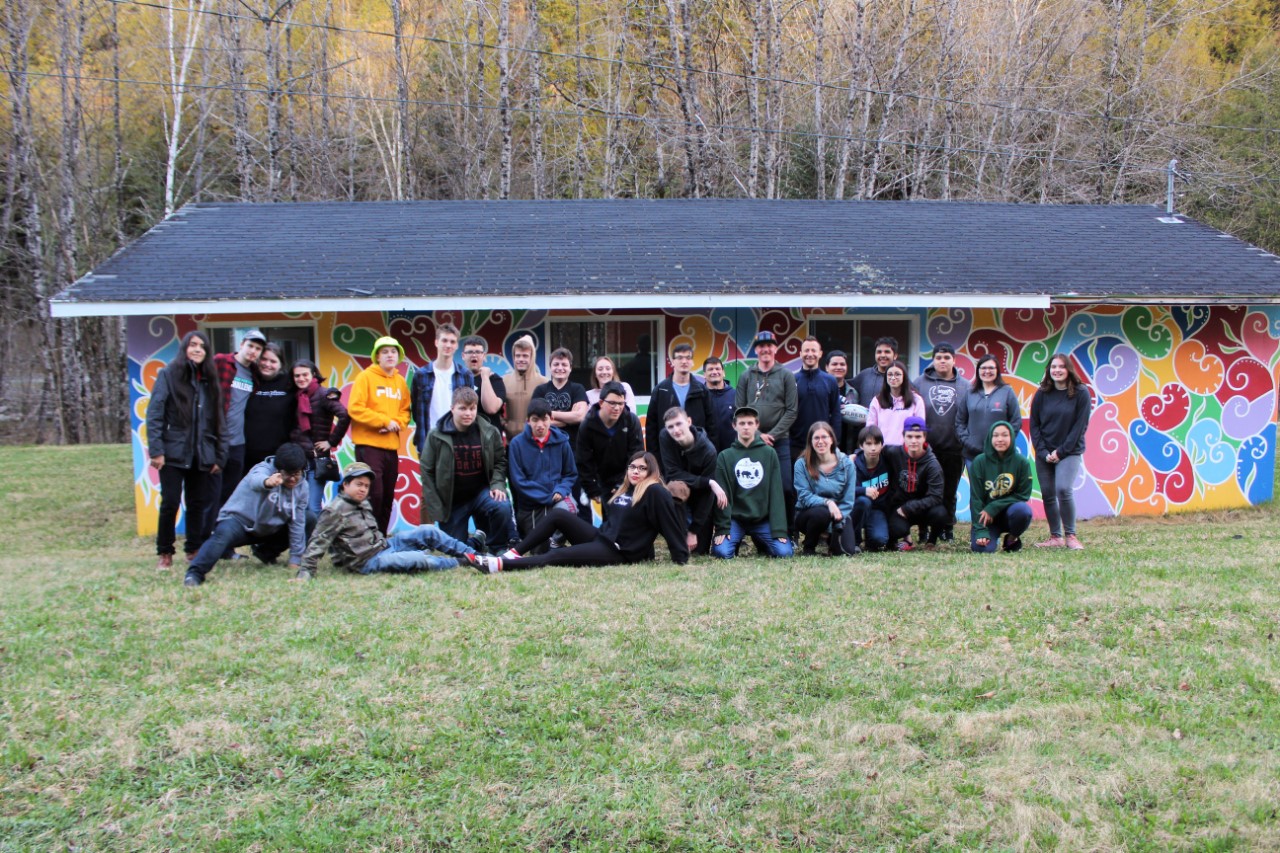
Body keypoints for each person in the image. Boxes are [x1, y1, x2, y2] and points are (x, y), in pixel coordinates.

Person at [469, 451, 688, 572]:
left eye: (642, 468)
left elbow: (669, 525)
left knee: (557, 555)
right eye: (632, 466)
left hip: (618, 552)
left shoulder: (655, 492)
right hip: (602, 538)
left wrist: (680, 557)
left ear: (651, 471)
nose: (636, 471)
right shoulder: (624, 490)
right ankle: (513, 552)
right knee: (557, 515)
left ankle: (501, 565)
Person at [296, 462, 478, 579]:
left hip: (384, 546)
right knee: (417, 559)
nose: (363, 489)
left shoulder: (363, 503)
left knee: (427, 530)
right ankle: (464, 562)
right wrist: (305, 572)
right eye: (358, 484)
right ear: (345, 484)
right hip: (366, 562)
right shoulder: (334, 511)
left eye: (366, 486)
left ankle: (476, 556)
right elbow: (318, 542)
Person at [146, 330, 225, 569]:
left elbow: (218, 420)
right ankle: (165, 552)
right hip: (173, 452)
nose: (198, 349)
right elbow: (155, 414)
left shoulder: (210, 380)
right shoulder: (169, 375)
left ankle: (193, 549)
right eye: (193, 345)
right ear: (185, 348)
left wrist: (218, 455)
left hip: (202, 453)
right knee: (170, 502)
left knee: (197, 503)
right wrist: (157, 450)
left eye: (202, 346)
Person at [184, 442, 311, 587]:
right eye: (289, 474)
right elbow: (255, 481)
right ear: (278, 469)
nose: (293, 479)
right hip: (239, 523)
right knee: (222, 534)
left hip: (268, 529)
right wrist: (267, 482)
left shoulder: (303, 487)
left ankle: (266, 553)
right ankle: (194, 574)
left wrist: (295, 559)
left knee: (309, 518)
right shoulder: (262, 469)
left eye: (297, 474)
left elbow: (297, 522)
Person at [420, 387, 517, 554]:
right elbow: (427, 470)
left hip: (481, 494)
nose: (468, 413)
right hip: (453, 502)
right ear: (452, 409)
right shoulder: (436, 435)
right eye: (462, 408)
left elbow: (500, 461)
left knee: (501, 505)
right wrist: (436, 505)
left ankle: (498, 547)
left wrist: (497, 485)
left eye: (472, 408)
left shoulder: (488, 431)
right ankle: (477, 542)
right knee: (456, 552)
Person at [347, 335, 410, 534]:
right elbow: (355, 409)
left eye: (393, 351)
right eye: (385, 352)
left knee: (387, 497)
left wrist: (397, 424)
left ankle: (380, 539)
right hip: (369, 446)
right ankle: (365, 539)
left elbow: (406, 411)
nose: (390, 355)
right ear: (377, 356)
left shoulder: (400, 381)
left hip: (391, 448)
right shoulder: (365, 377)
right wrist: (384, 421)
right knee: (374, 494)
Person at [711, 406, 793, 559]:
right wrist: (722, 528)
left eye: (750, 423)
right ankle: (734, 539)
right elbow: (723, 496)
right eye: (742, 423)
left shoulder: (769, 454)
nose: (746, 427)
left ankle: (761, 541)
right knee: (722, 552)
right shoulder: (725, 456)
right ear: (734, 426)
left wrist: (779, 529)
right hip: (735, 520)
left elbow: (776, 493)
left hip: (762, 519)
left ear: (757, 425)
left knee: (785, 552)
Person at [1030, 353, 1092, 550]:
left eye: (1061, 367)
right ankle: (1055, 537)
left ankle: (1071, 536)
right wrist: (1042, 451)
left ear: (1069, 370)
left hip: (1069, 451)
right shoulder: (1042, 393)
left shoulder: (1081, 393)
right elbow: (1034, 425)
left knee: (1063, 489)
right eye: (1053, 366)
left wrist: (1061, 452)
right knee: (1048, 493)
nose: (1056, 370)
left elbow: (1079, 427)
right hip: (1044, 452)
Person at [735, 330, 799, 521]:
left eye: (770, 345)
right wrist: (758, 435)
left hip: (780, 442)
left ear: (775, 348)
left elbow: (792, 410)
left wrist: (772, 435)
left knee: (786, 486)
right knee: (756, 486)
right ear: (756, 350)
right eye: (761, 346)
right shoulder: (746, 376)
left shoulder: (786, 375)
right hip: (752, 442)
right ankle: (760, 530)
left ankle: (789, 531)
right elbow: (740, 409)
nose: (766, 349)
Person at [207, 328, 266, 532]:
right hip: (216, 440)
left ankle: (223, 541)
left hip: (238, 443)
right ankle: (204, 539)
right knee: (210, 493)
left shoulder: (253, 375)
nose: (253, 351)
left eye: (258, 348)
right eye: (250, 345)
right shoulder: (221, 361)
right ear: (241, 345)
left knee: (231, 494)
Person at [507, 398, 579, 548]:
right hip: (531, 505)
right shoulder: (516, 444)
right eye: (535, 420)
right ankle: (546, 545)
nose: (540, 425)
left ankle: (557, 542)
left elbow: (570, 474)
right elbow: (519, 481)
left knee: (570, 509)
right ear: (528, 421)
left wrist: (561, 489)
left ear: (551, 419)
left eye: (544, 419)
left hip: (557, 498)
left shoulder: (562, 442)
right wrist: (546, 497)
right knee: (539, 550)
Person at [914, 343, 965, 542]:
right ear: (933, 360)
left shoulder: (965, 385)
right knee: (924, 490)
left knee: (949, 491)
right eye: (938, 358)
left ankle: (947, 529)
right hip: (927, 450)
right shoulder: (919, 383)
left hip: (954, 449)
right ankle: (923, 530)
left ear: (954, 360)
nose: (942, 361)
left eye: (946, 357)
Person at [658, 406, 725, 554]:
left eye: (679, 424)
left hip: (701, 498)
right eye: (670, 427)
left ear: (689, 421)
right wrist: (709, 482)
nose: (675, 430)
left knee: (698, 551)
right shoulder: (665, 437)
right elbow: (672, 474)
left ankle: (690, 531)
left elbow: (708, 495)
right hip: (678, 494)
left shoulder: (709, 451)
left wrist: (694, 531)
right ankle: (675, 534)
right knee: (674, 486)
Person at [532, 348, 590, 517]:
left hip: (573, 450)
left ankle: (584, 536)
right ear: (550, 367)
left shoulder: (577, 388)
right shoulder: (540, 390)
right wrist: (567, 417)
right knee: (549, 494)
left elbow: (579, 416)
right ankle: (551, 536)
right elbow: (537, 419)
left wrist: (549, 413)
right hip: (546, 450)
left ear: (570, 368)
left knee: (579, 494)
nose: (560, 367)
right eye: (556, 364)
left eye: (564, 364)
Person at [289, 358, 350, 517]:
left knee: (312, 506)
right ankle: (302, 542)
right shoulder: (296, 396)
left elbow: (344, 415)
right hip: (298, 459)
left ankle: (317, 541)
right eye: (297, 376)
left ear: (313, 374)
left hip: (316, 459)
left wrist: (331, 442)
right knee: (298, 506)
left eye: (305, 375)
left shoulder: (324, 394)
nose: (301, 379)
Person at [577, 381, 644, 518]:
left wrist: (624, 483)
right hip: (602, 480)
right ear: (601, 403)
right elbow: (583, 460)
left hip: (628, 477)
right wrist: (592, 489)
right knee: (609, 520)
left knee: (629, 519)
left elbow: (637, 455)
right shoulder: (587, 425)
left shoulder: (631, 421)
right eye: (612, 403)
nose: (617, 408)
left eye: (621, 404)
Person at [793, 421, 859, 556]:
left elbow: (848, 500)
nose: (820, 441)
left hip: (839, 516)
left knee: (847, 552)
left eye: (824, 437)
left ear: (832, 440)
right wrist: (828, 503)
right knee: (821, 514)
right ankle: (809, 546)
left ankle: (831, 539)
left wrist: (835, 525)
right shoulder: (801, 464)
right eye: (816, 438)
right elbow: (804, 496)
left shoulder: (847, 465)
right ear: (810, 442)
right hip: (809, 514)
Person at [968, 421, 1034, 553]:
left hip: (1009, 515)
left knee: (1023, 511)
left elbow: (1023, 495)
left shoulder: (1022, 463)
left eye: (1005, 435)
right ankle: (989, 535)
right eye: (996, 435)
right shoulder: (979, 462)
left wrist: (993, 506)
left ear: (1011, 437)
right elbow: (976, 499)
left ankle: (1012, 538)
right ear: (990, 438)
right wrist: (981, 530)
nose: (1000, 439)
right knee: (982, 550)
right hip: (987, 519)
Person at [883, 417, 947, 551]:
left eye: (918, 436)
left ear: (924, 438)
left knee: (941, 514)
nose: (913, 441)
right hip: (900, 507)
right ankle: (901, 538)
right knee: (895, 530)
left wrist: (909, 507)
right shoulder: (893, 453)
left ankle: (931, 541)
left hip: (924, 508)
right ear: (903, 437)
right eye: (910, 436)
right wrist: (857, 454)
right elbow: (874, 452)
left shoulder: (933, 464)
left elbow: (936, 497)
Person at [411, 322, 469, 457]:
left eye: (452, 342)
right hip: (428, 442)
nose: (448, 345)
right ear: (436, 342)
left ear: (456, 346)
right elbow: (416, 411)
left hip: (457, 442)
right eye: (444, 340)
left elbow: (469, 409)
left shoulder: (465, 375)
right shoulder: (421, 375)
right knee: (429, 479)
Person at [646, 343, 714, 459]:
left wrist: (709, 452)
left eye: (688, 358)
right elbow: (651, 426)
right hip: (668, 453)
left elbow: (711, 424)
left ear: (692, 362)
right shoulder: (661, 390)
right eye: (679, 358)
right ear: (672, 362)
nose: (684, 361)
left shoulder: (701, 390)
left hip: (697, 452)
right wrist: (655, 458)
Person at [790, 337, 842, 481]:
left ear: (820, 353)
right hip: (796, 445)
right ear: (800, 354)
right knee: (797, 488)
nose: (810, 354)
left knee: (821, 485)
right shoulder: (791, 380)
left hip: (822, 445)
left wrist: (834, 443)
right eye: (806, 350)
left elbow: (836, 414)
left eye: (814, 350)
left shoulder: (830, 381)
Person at [955, 354, 1023, 463]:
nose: (987, 371)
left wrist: (1004, 442)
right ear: (978, 371)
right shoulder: (969, 393)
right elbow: (959, 422)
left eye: (991, 368)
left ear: (997, 371)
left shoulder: (1007, 392)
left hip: (1000, 455)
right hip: (972, 455)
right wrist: (967, 441)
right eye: (983, 368)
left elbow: (1016, 421)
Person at [242, 342, 297, 472]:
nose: (267, 364)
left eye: (273, 361)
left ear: (281, 364)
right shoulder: (248, 379)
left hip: (278, 456)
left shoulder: (290, 383)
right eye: (264, 359)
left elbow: (312, 391)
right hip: (246, 454)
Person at [851, 425, 891, 552]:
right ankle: (855, 541)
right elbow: (843, 491)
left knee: (879, 540)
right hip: (856, 508)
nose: (873, 448)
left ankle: (871, 538)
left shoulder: (889, 460)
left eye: (876, 443)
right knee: (864, 501)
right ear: (861, 446)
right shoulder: (852, 463)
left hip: (877, 509)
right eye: (868, 444)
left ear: (882, 445)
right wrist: (864, 491)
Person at [867, 360, 925, 446]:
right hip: (882, 451)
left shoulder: (916, 400)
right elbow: (870, 429)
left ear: (904, 377)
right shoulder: (877, 401)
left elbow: (919, 429)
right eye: (890, 374)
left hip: (906, 452)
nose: (893, 378)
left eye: (897, 374)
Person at [502, 334, 546, 441]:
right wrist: (505, 425)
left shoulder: (544, 382)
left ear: (532, 357)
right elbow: (495, 410)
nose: (521, 359)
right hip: (511, 443)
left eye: (525, 356)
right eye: (518, 355)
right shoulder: (504, 380)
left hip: (536, 443)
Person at [460, 335, 507, 432]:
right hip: (463, 438)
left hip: (489, 439)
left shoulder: (494, 379)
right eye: (470, 352)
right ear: (463, 356)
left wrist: (485, 377)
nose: (474, 355)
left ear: (483, 356)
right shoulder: (457, 379)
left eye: (478, 352)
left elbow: (491, 408)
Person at [825, 349, 864, 455]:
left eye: (842, 364)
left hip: (848, 448)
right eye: (834, 364)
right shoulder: (821, 390)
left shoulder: (853, 392)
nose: (839, 367)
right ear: (827, 367)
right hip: (825, 446)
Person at [702, 356, 738, 453]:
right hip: (706, 453)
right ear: (704, 375)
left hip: (732, 452)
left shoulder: (735, 395)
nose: (714, 372)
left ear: (723, 373)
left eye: (717, 369)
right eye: (710, 369)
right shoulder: (699, 396)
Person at [851, 336, 897, 410]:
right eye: (879, 352)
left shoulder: (901, 379)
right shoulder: (864, 375)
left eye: (887, 352)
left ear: (895, 356)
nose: (882, 355)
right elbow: (845, 388)